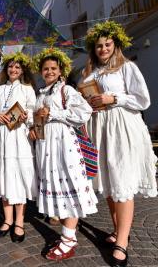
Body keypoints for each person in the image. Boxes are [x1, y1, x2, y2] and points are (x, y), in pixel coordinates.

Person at [81, 21, 158, 267]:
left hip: (121, 127)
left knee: (122, 180)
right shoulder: (89, 74)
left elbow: (142, 99)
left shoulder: (126, 67)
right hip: (99, 128)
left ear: (115, 45)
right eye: (99, 46)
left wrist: (113, 97)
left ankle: (122, 242)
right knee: (110, 182)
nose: (103, 49)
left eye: (107, 44)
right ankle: (116, 230)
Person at [29, 48, 98, 261]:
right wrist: (33, 128)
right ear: (41, 72)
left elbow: (84, 111)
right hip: (46, 147)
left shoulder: (66, 90)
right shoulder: (41, 94)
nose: (49, 72)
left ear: (60, 71)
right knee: (56, 187)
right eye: (45, 69)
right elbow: (39, 120)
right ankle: (66, 236)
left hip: (64, 145)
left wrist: (53, 113)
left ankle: (69, 240)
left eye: (53, 68)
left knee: (69, 187)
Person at [0, 52, 37, 243]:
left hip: (18, 137)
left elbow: (33, 111)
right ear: (6, 69)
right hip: (0, 136)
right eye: (11, 67)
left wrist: (25, 117)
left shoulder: (28, 89)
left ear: (22, 71)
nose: (13, 70)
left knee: (18, 175)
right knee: (4, 174)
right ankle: (7, 219)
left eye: (17, 67)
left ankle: (19, 221)